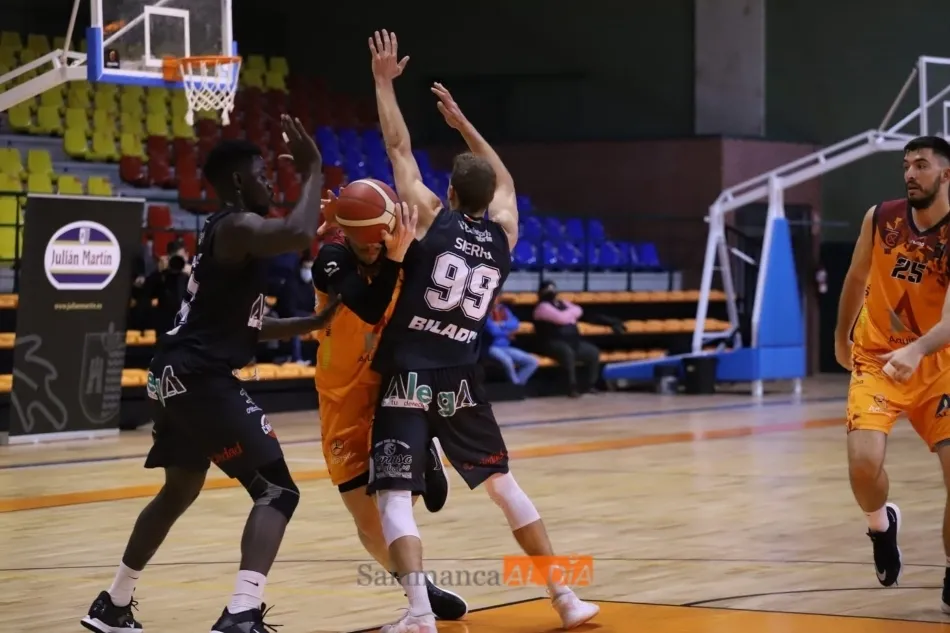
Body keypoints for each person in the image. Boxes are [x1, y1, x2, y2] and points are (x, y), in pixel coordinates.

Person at [361, 30, 599, 633]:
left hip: (409, 374)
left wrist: (385, 83)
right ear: (489, 197)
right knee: (502, 485)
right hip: (461, 376)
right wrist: (465, 123)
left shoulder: (429, 220)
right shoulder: (503, 235)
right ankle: (566, 598)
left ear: (447, 192)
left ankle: (419, 615)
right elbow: (507, 182)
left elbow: (398, 146)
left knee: (393, 496)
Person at [81, 118, 339, 633]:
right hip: (199, 377)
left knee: (178, 491)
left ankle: (113, 602)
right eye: (262, 175)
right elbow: (297, 232)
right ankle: (241, 612)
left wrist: (313, 323)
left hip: (171, 375)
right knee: (278, 491)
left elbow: (247, 323)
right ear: (239, 182)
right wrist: (312, 170)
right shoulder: (238, 226)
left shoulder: (226, 233)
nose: (271, 184)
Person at [310, 212, 467, 620]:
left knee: (393, 501)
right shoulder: (332, 257)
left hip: (391, 387)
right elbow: (368, 305)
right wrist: (354, 227)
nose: (371, 244)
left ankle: (425, 446)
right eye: (363, 236)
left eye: (378, 236)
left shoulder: (404, 253)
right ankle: (417, 585)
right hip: (341, 394)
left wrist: (400, 245)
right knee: (366, 524)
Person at [835, 135, 950, 610]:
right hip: (877, 358)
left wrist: (919, 350)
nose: (909, 174)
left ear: (946, 174)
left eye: (921, 165)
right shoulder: (881, 218)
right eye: (906, 165)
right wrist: (841, 338)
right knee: (863, 465)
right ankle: (881, 526)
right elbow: (856, 277)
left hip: (939, 364)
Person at [532, 281, 603, 397]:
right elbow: (561, 318)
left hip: (572, 341)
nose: (551, 292)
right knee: (567, 353)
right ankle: (571, 387)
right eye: (548, 290)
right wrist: (571, 316)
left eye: (553, 289)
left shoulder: (562, 303)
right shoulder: (541, 307)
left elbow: (579, 310)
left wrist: (568, 315)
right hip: (551, 343)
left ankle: (590, 385)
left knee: (593, 352)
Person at [485, 300, 539, 385]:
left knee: (532, 361)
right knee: (507, 361)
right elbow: (493, 331)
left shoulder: (503, 309)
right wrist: (508, 333)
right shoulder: (484, 312)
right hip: (490, 347)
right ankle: (516, 386)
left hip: (506, 348)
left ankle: (518, 385)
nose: (495, 299)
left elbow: (515, 323)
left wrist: (501, 324)